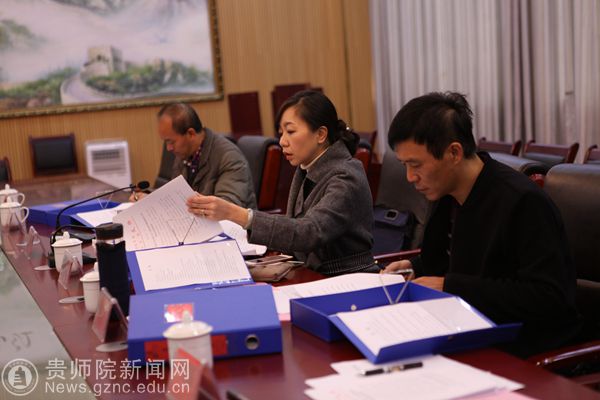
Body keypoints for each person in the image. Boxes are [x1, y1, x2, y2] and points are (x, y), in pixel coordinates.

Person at [383, 91, 581, 357]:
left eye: (415, 165)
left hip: (520, 347)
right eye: (404, 165)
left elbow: (548, 297)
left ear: (454, 152)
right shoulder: (446, 192)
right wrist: (414, 266)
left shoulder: (522, 201)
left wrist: (451, 288)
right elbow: (454, 261)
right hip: (463, 329)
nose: (410, 177)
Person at [186, 90, 377, 276]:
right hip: (310, 273)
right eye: (281, 133)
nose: (282, 141)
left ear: (320, 134)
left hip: (346, 278)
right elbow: (295, 226)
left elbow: (308, 232)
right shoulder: (308, 166)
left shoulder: (346, 176)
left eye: (291, 131)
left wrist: (235, 213)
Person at [130, 102, 256, 209]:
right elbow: (175, 195)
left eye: (171, 142)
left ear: (190, 134)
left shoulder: (229, 157)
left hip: (231, 229)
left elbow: (226, 208)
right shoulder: (185, 153)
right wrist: (149, 198)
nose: (168, 148)